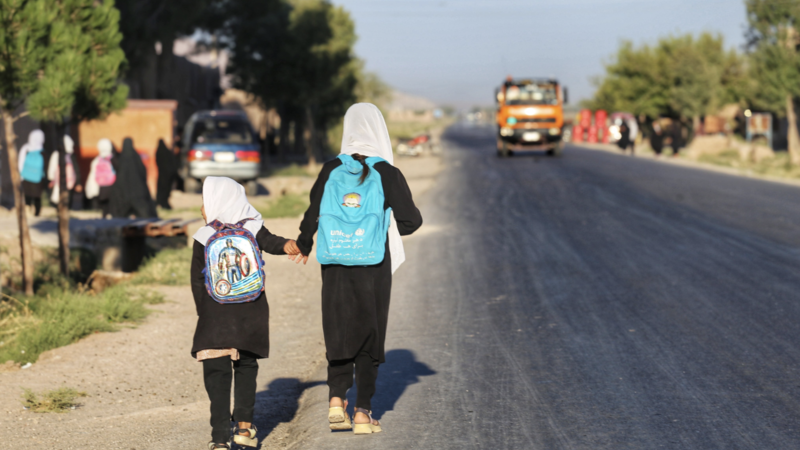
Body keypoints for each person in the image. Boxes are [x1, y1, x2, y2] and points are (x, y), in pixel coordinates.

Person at [295, 103, 423, 435]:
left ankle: (336, 400)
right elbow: (412, 221)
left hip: (336, 261)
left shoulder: (330, 169)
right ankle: (363, 413)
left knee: (338, 328)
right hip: (373, 266)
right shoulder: (387, 172)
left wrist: (304, 244)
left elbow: (312, 214)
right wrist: (380, 226)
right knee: (369, 332)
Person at [191, 176, 301, 449]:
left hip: (215, 318)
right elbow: (273, 242)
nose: (202, 209)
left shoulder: (204, 236)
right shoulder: (252, 228)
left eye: (205, 202)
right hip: (250, 314)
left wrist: (203, 312)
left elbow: (196, 280)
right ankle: (243, 428)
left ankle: (219, 438)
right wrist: (289, 244)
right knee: (246, 369)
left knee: (217, 376)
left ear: (217, 202)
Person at [109, 137, 157, 218]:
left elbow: (118, 172)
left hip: (123, 192)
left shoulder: (121, 158)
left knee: (120, 215)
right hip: (138, 191)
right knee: (144, 214)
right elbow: (143, 171)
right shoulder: (136, 157)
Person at [85, 138, 117, 218]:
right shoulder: (114, 159)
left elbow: (93, 174)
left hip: (101, 186)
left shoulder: (96, 160)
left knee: (103, 204)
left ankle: (104, 215)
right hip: (112, 185)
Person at [47, 135, 81, 208]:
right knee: (57, 200)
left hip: (70, 182)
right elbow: (52, 167)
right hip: (58, 182)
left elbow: (76, 169)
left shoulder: (71, 155)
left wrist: (78, 182)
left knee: (67, 201)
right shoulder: (56, 154)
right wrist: (51, 179)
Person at [18, 130, 46, 216]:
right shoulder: (42, 150)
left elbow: (20, 161)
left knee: (27, 194)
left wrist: (21, 174)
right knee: (37, 195)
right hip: (38, 177)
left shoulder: (25, 148)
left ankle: (28, 210)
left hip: (26, 175)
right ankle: (37, 212)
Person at [155, 138, 177, 209]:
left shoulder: (158, 152)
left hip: (162, 174)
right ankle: (164, 203)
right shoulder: (167, 152)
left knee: (161, 189)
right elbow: (172, 163)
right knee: (166, 189)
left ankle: (161, 202)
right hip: (167, 175)